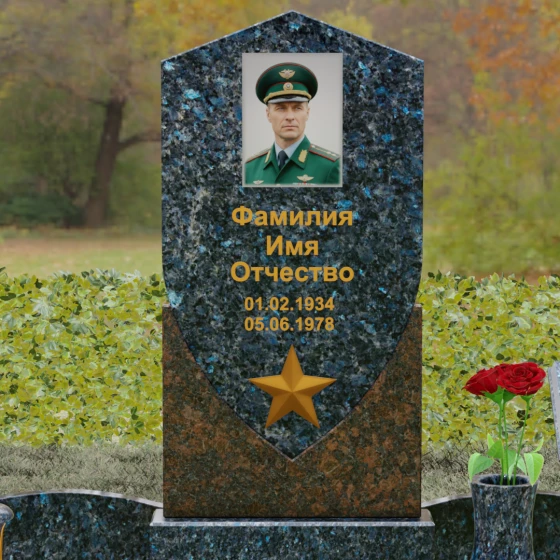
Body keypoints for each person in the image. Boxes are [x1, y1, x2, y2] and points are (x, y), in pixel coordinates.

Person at [245, 62, 340, 185]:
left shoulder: (330, 167)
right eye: (280, 108)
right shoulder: (249, 169)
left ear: (307, 113)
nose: (290, 117)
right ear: (268, 114)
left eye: (297, 108)